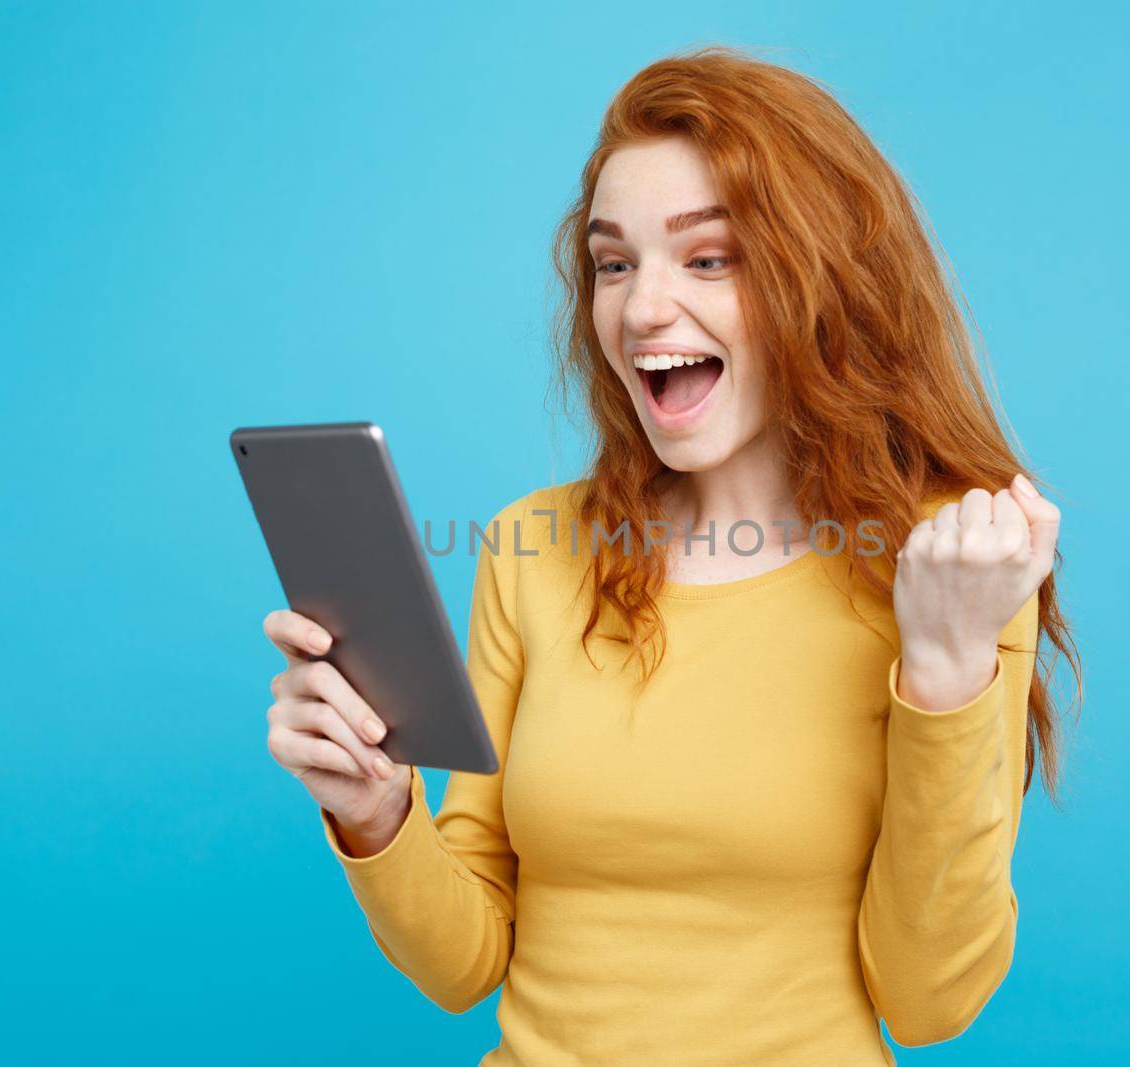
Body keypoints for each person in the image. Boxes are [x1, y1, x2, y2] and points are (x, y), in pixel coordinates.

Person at [261, 45, 1081, 1065]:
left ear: (822, 279)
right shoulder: (533, 547)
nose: (642, 309)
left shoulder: (946, 569)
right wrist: (379, 812)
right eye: (614, 262)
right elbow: (468, 962)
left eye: (708, 257)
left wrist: (947, 667)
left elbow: (926, 999)